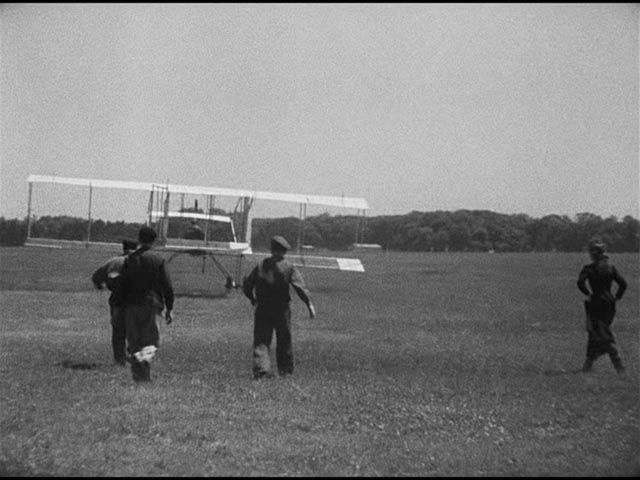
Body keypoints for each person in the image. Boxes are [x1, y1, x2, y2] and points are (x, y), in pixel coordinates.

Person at [243, 235, 316, 379]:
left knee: (261, 340)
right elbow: (300, 288)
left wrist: (253, 299)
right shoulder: (289, 267)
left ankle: (261, 371)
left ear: (271, 249)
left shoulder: (260, 265)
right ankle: (285, 371)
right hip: (281, 309)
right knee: (284, 340)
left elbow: (247, 285)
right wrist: (309, 304)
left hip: (263, 308)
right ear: (284, 251)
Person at [117, 226, 174, 382]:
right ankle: (143, 370)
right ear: (154, 240)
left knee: (135, 342)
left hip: (131, 305)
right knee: (151, 342)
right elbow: (167, 285)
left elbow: (122, 284)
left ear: (139, 239)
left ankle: (140, 377)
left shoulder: (129, 259)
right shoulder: (158, 259)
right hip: (151, 304)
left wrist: (121, 305)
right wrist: (169, 307)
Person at [577, 238, 628, 374]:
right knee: (595, 332)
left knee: (601, 334)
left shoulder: (588, 269)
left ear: (593, 253)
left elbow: (580, 283)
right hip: (610, 305)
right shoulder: (610, 268)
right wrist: (617, 297)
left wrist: (588, 293)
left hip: (595, 304)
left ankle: (619, 365)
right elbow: (623, 284)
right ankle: (587, 366)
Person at [91, 239, 138, 366]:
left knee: (118, 331)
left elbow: (96, 277)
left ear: (123, 249)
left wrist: (102, 285)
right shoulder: (143, 262)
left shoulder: (114, 261)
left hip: (117, 300)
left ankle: (120, 360)